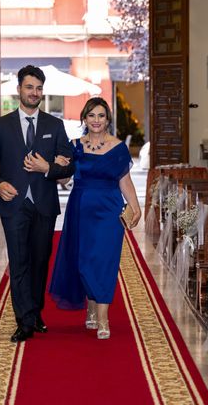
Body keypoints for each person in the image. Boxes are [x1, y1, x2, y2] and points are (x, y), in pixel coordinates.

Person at [0, 64, 75, 343]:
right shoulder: (1, 125)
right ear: (19, 89)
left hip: (44, 205)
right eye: (29, 87)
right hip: (14, 205)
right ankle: (24, 320)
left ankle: (35, 312)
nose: (34, 93)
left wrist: (48, 167)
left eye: (38, 88)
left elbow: (69, 165)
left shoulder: (54, 125)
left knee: (39, 261)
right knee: (19, 262)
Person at [49, 97, 141, 339]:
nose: (96, 120)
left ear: (108, 119)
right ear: (84, 119)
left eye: (101, 115)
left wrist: (136, 206)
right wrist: (57, 167)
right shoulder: (74, 145)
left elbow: (125, 180)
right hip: (80, 209)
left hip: (109, 210)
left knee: (104, 261)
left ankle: (102, 318)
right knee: (83, 261)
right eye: (91, 115)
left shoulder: (118, 147)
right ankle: (90, 306)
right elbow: (63, 180)